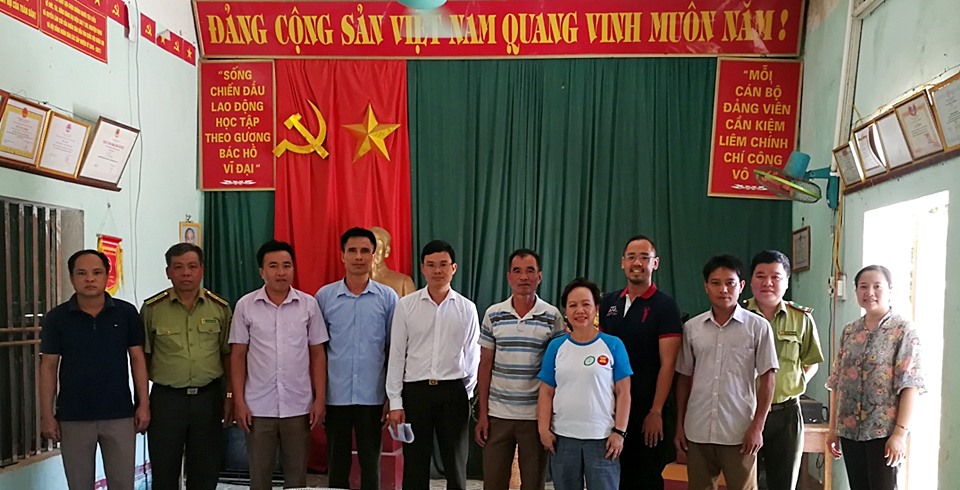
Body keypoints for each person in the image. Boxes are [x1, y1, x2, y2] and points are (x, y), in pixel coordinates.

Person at [39, 250, 150, 490]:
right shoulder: (56, 318)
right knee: (79, 485)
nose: (89, 279)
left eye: (96, 272)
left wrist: (144, 404)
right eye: (82, 273)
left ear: (107, 276)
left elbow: (137, 359)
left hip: (120, 414)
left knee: (122, 484)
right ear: (71, 277)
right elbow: (48, 366)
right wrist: (47, 415)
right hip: (73, 417)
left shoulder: (126, 312)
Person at [228, 240, 329, 490]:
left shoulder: (308, 305)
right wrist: (238, 400)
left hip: (298, 405)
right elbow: (238, 355)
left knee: (296, 478)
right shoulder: (245, 305)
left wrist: (319, 398)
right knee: (259, 477)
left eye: (286, 265)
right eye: (273, 266)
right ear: (262, 271)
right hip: (258, 407)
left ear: (293, 269)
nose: (281, 272)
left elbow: (317, 353)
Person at [675, 255, 778, 490]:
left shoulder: (758, 327)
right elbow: (683, 378)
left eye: (730, 283)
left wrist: (757, 428)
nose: (723, 289)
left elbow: (768, 378)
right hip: (698, 430)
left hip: (739, 432)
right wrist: (680, 424)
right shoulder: (692, 329)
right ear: (706, 287)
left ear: (741, 286)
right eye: (715, 283)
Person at [385, 240, 480, 490]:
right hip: (416, 392)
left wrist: (465, 393)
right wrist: (396, 402)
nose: (438, 270)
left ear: (454, 268)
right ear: (423, 268)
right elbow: (396, 356)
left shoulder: (467, 308)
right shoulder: (406, 306)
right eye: (431, 265)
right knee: (415, 466)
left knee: (456, 466)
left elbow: (473, 356)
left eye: (443, 265)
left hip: (453, 393)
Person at [141, 243, 233, 490]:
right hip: (166, 400)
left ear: (201, 270)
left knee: (205, 470)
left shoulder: (220, 308)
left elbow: (228, 355)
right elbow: (143, 357)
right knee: (164, 470)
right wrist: (143, 401)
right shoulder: (152, 310)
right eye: (178, 267)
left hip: (208, 398)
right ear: (168, 271)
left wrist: (229, 396)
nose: (186, 273)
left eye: (192, 267)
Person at [825, 265, 923, 490]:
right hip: (850, 431)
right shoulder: (850, 331)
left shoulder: (903, 330)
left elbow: (910, 385)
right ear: (856, 292)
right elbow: (837, 383)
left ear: (890, 290)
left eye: (877, 286)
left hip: (884, 431)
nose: (870, 292)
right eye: (863, 287)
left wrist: (899, 434)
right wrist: (833, 430)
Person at [315, 228, 399, 490]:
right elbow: (317, 351)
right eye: (352, 250)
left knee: (370, 465)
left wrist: (390, 395)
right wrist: (318, 395)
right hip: (335, 395)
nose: (359, 257)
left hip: (372, 397)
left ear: (374, 255)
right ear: (342, 255)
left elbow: (393, 349)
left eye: (365, 251)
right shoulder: (324, 297)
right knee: (337, 466)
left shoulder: (387, 298)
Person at [475, 249, 566, 490]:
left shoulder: (552, 316)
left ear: (540, 276)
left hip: (535, 417)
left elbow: (557, 370)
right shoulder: (494, 315)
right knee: (493, 483)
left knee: (533, 484)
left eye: (530, 271)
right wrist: (483, 414)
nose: (523, 277)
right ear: (508, 276)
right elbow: (485, 366)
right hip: (498, 415)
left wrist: (549, 419)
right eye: (517, 271)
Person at [599, 235, 683, 489]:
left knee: (645, 478)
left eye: (644, 257)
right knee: (612, 478)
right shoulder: (608, 303)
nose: (638, 263)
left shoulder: (666, 306)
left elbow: (668, 364)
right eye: (632, 257)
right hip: (609, 411)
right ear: (622, 263)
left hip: (648, 411)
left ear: (655, 263)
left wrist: (656, 411)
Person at [538, 277, 633, 490]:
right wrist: (544, 430)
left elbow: (624, 392)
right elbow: (545, 392)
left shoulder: (613, 345)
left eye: (586, 304)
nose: (579, 310)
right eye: (573, 305)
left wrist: (620, 432)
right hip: (563, 439)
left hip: (602, 440)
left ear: (596, 308)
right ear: (565, 311)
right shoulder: (556, 347)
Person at [742, 250, 823, 490]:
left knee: (784, 482)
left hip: (786, 414)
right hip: (746, 412)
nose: (767, 282)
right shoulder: (739, 315)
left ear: (786, 282)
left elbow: (812, 360)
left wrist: (797, 383)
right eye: (760, 276)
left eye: (775, 277)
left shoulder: (801, 318)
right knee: (747, 481)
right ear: (750, 281)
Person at [370, 226, 416, 297]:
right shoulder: (352, 283)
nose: (372, 251)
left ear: (387, 251)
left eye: (378, 246)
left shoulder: (403, 283)